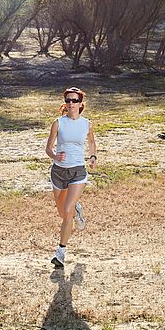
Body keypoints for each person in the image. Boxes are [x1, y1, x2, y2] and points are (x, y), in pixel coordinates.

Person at [45, 86, 97, 268]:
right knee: (62, 212)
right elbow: (48, 148)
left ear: (81, 103)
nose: (71, 104)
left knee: (66, 211)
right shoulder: (58, 123)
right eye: (68, 100)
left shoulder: (86, 124)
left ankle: (60, 252)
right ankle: (77, 211)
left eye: (74, 100)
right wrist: (54, 156)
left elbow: (91, 142)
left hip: (78, 172)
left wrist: (93, 157)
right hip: (58, 172)